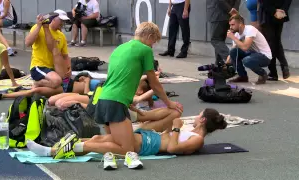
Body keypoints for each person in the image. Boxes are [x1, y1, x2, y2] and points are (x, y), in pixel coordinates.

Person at [90, 22, 183, 169]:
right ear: (150, 36)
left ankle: (77, 143)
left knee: (113, 142)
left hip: (104, 99)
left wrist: (128, 101)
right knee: (128, 149)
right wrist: (168, 102)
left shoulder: (119, 48)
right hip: (116, 102)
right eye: (153, 42)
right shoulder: (145, 50)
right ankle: (79, 146)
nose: (152, 46)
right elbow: (154, 83)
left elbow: (118, 78)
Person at [26, 108, 227, 170]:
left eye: (198, 115)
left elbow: (173, 149)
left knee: (96, 145)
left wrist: (174, 128)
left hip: (150, 145)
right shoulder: (191, 131)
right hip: (149, 137)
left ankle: (50, 151)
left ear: (202, 120)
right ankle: (54, 146)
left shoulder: (198, 140)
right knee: (98, 137)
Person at [25, 10, 71, 90]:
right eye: (61, 20)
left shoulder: (61, 36)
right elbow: (28, 43)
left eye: (64, 21)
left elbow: (65, 56)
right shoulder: (39, 28)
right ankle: (37, 83)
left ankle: (43, 86)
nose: (62, 23)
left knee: (64, 85)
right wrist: (39, 25)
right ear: (53, 19)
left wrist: (69, 67)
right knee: (57, 81)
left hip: (52, 69)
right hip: (39, 66)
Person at [226, 14, 271, 84]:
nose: (230, 27)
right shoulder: (237, 34)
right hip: (252, 54)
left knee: (246, 60)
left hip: (264, 56)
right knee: (233, 52)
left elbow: (245, 47)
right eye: (230, 25)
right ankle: (242, 76)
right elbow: (233, 49)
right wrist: (226, 64)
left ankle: (263, 74)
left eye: (233, 25)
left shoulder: (250, 29)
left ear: (240, 24)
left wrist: (233, 37)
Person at [258, 0, 292, 81]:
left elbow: (263, 1)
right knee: (276, 41)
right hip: (280, 15)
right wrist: (283, 10)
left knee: (270, 43)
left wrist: (274, 11)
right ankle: (284, 66)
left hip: (267, 15)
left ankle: (273, 72)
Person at [206, 0, 240, 65]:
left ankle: (230, 59)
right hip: (229, 14)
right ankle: (219, 62)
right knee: (220, 40)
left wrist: (230, 10)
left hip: (218, 13)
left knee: (215, 40)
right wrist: (234, 10)